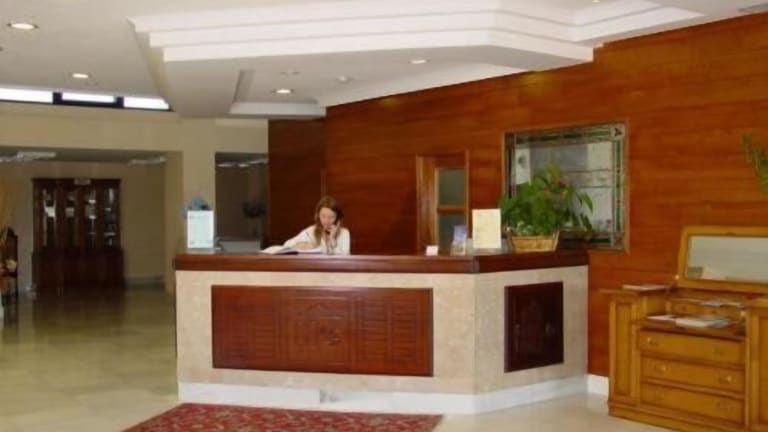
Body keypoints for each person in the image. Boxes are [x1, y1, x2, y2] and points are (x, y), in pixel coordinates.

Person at [283, 196, 350, 255]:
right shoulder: (311, 230)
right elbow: (286, 245)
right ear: (318, 215)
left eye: (331, 217)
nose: (326, 221)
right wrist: (301, 244)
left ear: (337, 218)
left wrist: (332, 239)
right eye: (323, 216)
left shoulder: (344, 233)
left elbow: (344, 258)